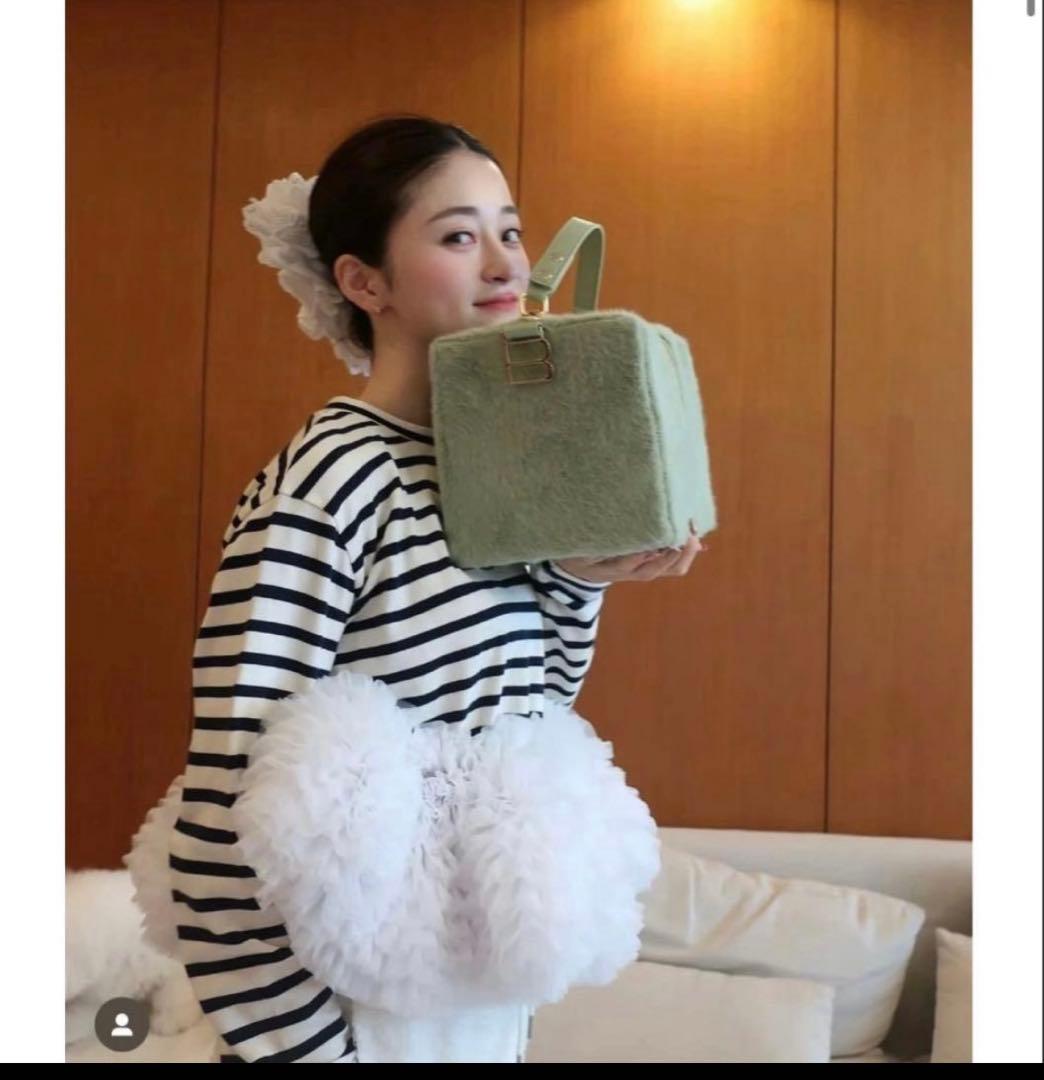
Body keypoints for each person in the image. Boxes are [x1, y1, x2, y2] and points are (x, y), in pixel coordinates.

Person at [169, 113, 706, 1064]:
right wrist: (301, 1049)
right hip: (346, 1014)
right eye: (459, 236)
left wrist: (578, 579)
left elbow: (527, 719)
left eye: (511, 229)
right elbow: (227, 803)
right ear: (363, 282)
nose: (505, 265)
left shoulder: (496, 466)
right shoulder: (331, 477)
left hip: (471, 1007)